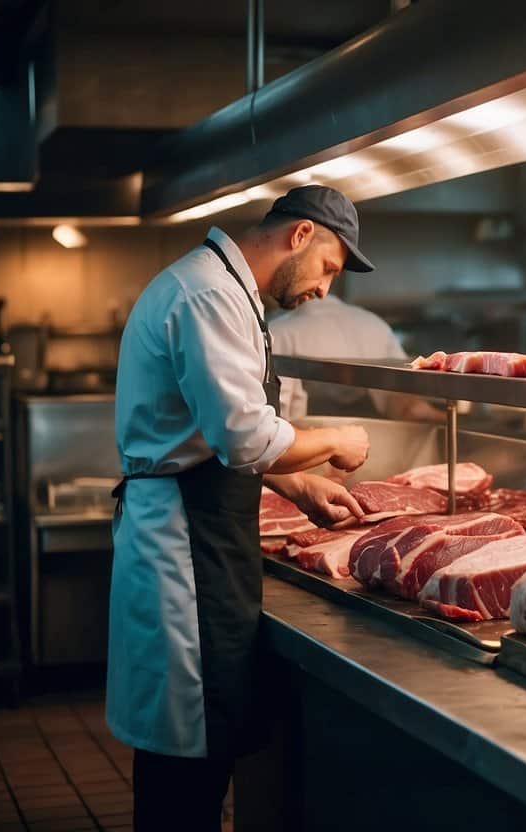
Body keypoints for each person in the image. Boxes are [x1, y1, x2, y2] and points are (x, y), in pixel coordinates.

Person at [110, 185, 376, 831]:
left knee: (196, 752)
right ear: (301, 236)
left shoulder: (222, 288)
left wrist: (297, 485)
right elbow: (244, 436)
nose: (323, 291)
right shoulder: (208, 294)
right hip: (185, 547)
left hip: (199, 531)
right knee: (186, 764)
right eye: (328, 271)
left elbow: (208, 430)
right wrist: (336, 440)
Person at [270, 290, 443, 422]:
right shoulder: (374, 323)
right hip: (375, 442)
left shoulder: (279, 330)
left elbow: (279, 416)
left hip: (311, 447)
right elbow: (405, 401)